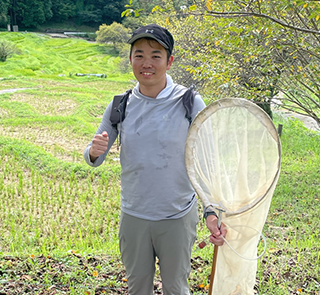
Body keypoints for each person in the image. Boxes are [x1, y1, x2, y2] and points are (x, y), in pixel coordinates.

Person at [83, 24, 227, 295]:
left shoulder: (189, 102)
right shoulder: (120, 105)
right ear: (130, 60)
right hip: (134, 215)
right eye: (139, 55)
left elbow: (208, 161)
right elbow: (95, 157)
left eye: (155, 55)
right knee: (138, 288)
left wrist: (211, 211)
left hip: (177, 216)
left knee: (176, 288)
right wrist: (93, 150)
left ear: (169, 61)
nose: (146, 63)